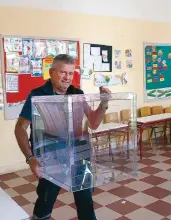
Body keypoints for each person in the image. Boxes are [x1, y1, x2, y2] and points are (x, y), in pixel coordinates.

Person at [14, 54, 111, 220]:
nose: (67, 78)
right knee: (44, 205)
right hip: (50, 160)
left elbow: (94, 123)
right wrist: (29, 158)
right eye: (63, 73)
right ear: (52, 72)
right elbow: (20, 128)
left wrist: (103, 104)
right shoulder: (38, 95)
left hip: (79, 159)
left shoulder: (77, 93)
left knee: (86, 205)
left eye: (71, 73)